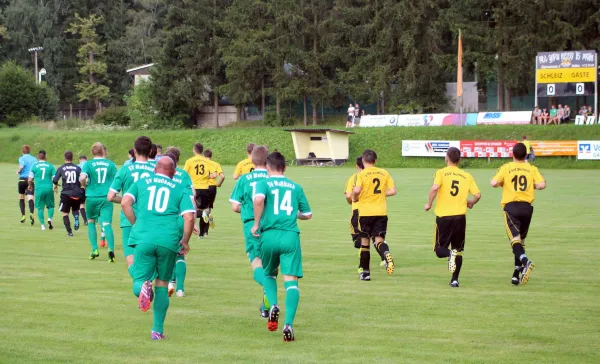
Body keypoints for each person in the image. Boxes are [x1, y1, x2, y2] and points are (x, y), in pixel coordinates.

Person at [121, 157, 195, 340]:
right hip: (168, 240)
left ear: (155, 169)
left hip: (143, 237)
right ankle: (157, 331)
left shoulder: (142, 182)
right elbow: (190, 218)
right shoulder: (179, 188)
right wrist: (185, 241)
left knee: (139, 278)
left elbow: (124, 203)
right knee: (162, 283)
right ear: (173, 172)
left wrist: (136, 223)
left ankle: (143, 288)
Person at [251, 151, 312, 342]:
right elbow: (308, 214)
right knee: (291, 281)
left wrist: (256, 223)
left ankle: (274, 305)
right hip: (290, 236)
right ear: (285, 167)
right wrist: (294, 214)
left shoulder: (264, 183)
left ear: (267, 168)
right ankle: (288, 325)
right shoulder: (295, 187)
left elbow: (259, 200)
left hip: (269, 235)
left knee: (269, 273)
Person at [424, 147, 481, 287]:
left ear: (446, 158)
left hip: (444, 216)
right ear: (459, 160)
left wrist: (429, 203)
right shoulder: (467, 176)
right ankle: (454, 279)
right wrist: (471, 202)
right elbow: (478, 194)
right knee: (458, 249)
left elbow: (435, 188)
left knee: (439, 250)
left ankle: (450, 255)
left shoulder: (441, 173)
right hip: (460, 217)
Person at [491, 143, 546, 286]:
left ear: (512, 154)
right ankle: (516, 273)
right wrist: (531, 185)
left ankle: (525, 262)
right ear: (526, 155)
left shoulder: (506, 167)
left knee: (514, 240)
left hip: (511, 207)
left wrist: (503, 183)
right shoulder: (531, 168)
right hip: (527, 208)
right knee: (521, 240)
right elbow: (542, 185)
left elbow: (493, 183)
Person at [230, 146, 271, 318]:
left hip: (251, 225)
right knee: (270, 267)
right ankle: (267, 306)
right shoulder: (273, 178)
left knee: (256, 262)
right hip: (272, 225)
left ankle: (272, 296)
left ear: (252, 161)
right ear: (268, 160)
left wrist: (249, 208)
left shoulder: (244, 179)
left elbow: (235, 206)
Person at [108, 136, 155, 274]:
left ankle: (140, 286)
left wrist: (127, 199)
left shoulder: (125, 169)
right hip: (151, 219)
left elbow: (110, 196)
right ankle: (148, 282)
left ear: (134, 151)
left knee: (131, 259)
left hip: (129, 219)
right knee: (149, 256)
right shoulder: (157, 169)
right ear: (151, 150)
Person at [352, 150, 397, 281]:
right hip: (381, 212)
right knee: (379, 241)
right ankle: (385, 253)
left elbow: (357, 190)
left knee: (365, 244)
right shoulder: (384, 173)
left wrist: (355, 198)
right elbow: (393, 191)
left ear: (363, 161)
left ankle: (366, 273)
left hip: (366, 213)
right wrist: (381, 194)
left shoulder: (362, 174)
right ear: (375, 161)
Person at [164, 147, 196, 298]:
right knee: (181, 254)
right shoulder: (184, 175)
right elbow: (191, 197)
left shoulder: (161, 175)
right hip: (182, 218)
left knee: (168, 253)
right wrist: (193, 220)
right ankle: (180, 289)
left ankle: (170, 282)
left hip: (166, 219)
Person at [344, 156, 386, 268]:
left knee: (360, 241)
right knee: (376, 237)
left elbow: (349, 196)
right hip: (377, 210)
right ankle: (384, 256)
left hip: (359, 212)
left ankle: (363, 268)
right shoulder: (379, 174)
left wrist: (353, 199)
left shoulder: (355, 177)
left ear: (358, 166)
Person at [80, 142, 118, 261]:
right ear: (103, 151)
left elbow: (82, 177)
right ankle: (111, 249)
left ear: (92, 152)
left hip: (91, 197)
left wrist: (84, 185)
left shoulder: (88, 164)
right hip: (106, 197)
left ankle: (94, 249)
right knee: (106, 224)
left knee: (91, 222)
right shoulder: (111, 164)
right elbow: (117, 180)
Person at [183, 143, 216, 238]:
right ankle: (202, 233)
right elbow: (214, 175)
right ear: (202, 151)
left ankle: (195, 226)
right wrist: (206, 176)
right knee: (205, 209)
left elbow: (184, 174)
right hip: (205, 188)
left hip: (194, 188)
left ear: (194, 150)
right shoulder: (207, 161)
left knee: (194, 209)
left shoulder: (189, 161)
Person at [53, 151, 84, 236]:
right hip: (77, 193)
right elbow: (82, 178)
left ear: (64, 158)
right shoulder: (78, 168)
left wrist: (55, 186)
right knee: (75, 209)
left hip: (66, 193)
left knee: (65, 213)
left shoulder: (61, 168)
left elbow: (55, 180)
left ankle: (69, 232)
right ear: (72, 158)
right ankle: (76, 217)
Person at [28, 150, 56, 231]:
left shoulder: (34, 166)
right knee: (50, 206)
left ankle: (43, 225)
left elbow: (30, 179)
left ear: (38, 157)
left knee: (40, 208)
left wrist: (30, 185)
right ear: (45, 157)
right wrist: (55, 187)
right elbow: (55, 178)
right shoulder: (50, 166)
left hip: (39, 189)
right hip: (48, 189)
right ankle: (49, 218)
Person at [17, 145, 38, 224]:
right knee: (30, 198)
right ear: (29, 151)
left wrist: (18, 171)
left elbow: (21, 166)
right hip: (31, 180)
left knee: (21, 196)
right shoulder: (34, 159)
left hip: (22, 179)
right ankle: (31, 213)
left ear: (22, 151)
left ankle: (23, 215)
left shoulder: (21, 158)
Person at [204, 149, 225, 229]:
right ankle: (207, 227)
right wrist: (218, 184)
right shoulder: (216, 164)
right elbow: (222, 176)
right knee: (209, 207)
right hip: (213, 187)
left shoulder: (202, 163)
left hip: (203, 186)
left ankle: (206, 216)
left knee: (200, 207)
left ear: (203, 156)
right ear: (211, 156)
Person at [78, 156, 89, 225]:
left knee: (81, 204)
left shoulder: (77, 166)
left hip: (81, 187)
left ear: (79, 160)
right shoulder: (89, 164)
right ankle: (94, 219)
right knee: (91, 203)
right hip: (90, 187)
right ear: (86, 159)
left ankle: (85, 220)